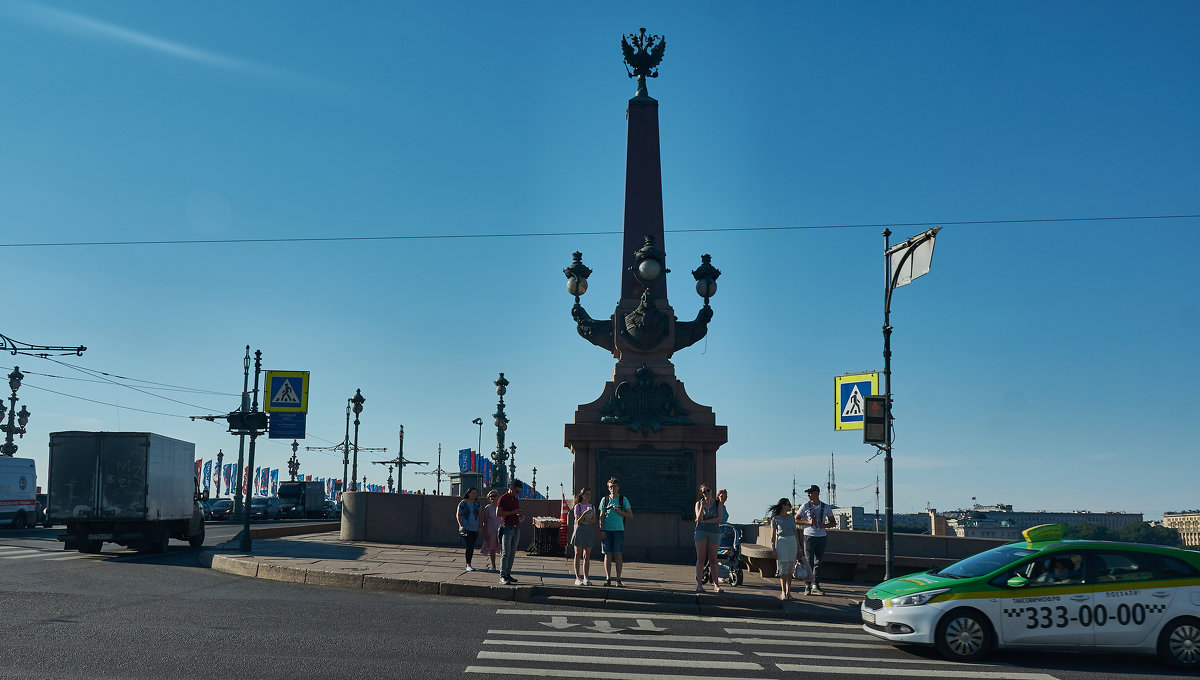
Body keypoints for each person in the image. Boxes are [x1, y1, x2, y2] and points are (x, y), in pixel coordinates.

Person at [796, 484, 835, 595]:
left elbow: (833, 522)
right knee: (809, 561)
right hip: (809, 535)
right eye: (808, 493)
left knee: (819, 561)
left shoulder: (826, 507)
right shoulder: (805, 506)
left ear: (817, 493)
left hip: (821, 536)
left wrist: (825, 525)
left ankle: (815, 585)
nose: (809, 495)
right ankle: (807, 585)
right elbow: (796, 520)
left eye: (811, 492)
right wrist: (808, 523)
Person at [598, 477, 633, 586]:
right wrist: (601, 529)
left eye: (614, 486)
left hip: (618, 531)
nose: (613, 488)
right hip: (607, 531)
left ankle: (618, 579)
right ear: (608, 488)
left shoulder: (623, 499)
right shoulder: (605, 500)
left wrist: (620, 512)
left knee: (618, 555)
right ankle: (608, 578)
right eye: (610, 487)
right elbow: (601, 516)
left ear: (618, 487)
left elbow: (630, 515)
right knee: (607, 555)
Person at [693, 484, 724, 593]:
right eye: (703, 492)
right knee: (701, 558)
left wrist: (705, 521)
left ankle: (716, 585)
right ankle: (700, 585)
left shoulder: (717, 503)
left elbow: (719, 518)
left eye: (708, 490)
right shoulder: (698, 503)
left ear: (711, 491)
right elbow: (698, 518)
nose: (706, 493)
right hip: (701, 532)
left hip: (714, 532)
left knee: (713, 559)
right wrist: (702, 507)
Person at [768, 498, 798, 600]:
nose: (790, 506)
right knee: (783, 569)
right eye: (788, 504)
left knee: (790, 570)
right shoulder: (775, 519)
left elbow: (795, 533)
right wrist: (773, 548)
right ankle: (783, 592)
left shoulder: (792, 518)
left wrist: (799, 548)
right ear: (783, 505)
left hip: (792, 543)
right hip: (782, 543)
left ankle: (789, 592)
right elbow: (772, 536)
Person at [496, 479, 524, 585]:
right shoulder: (503, 498)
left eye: (519, 492)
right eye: (517, 491)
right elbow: (498, 513)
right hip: (507, 527)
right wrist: (513, 512)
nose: (518, 494)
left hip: (516, 527)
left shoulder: (515, 499)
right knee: (506, 552)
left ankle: (508, 574)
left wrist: (519, 515)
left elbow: (515, 512)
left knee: (512, 552)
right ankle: (502, 575)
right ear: (511, 488)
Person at [569, 487, 595, 585]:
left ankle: (586, 577)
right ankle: (577, 577)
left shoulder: (592, 506)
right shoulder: (578, 506)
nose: (588, 496)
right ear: (582, 495)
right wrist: (584, 514)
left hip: (588, 530)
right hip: (579, 531)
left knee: (587, 555)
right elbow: (578, 521)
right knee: (577, 554)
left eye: (589, 494)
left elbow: (593, 521)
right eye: (586, 494)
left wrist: (585, 519)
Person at [456, 487, 481, 572]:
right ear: (469, 493)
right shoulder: (463, 503)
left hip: (475, 527)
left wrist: (480, 526)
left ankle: (469, 563)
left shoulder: (477, 504)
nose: (474, 495)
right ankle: (468, 564)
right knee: (469, 545)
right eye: (473, 493)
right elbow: (458, 515)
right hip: (466, 527)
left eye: (476, 493)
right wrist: (461, 525)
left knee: (472, 546)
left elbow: (479, 516)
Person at [477, 489, 501, 572]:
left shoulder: (500, 507)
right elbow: (485, 521)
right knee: (492, 548)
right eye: (491, 496)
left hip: (500, 530)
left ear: (498, 497)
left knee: (503, 548)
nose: (493, 498)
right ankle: (493, 566)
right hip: (491, 530)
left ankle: (503, 566)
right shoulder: (488, 508)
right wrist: (485, 533)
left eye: (494, 496)